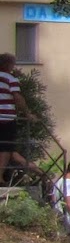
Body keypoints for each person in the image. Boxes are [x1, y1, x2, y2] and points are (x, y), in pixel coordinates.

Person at [0, 53, 39, 184]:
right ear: (8, 65)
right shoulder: (10, 79)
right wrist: (27, 113)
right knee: (6, 147)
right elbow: (17, 97)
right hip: (6, 118)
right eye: (12, 64)